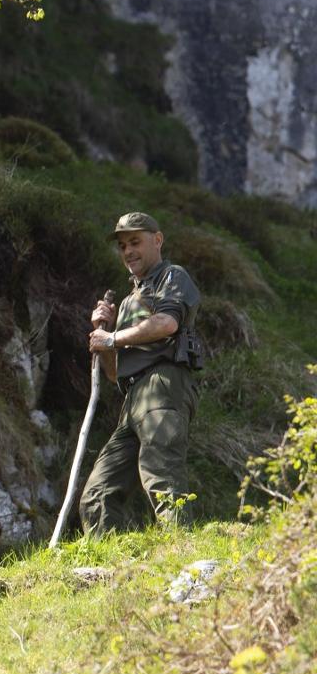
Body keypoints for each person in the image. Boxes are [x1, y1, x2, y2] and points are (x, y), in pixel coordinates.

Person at [81, 212, 201, 533]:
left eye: (135, 242)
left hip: (163, 386)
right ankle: (107, 570)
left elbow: (167, 323)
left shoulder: (171, 276)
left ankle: (183, 556)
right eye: (122, 246)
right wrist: (104, 340)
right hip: (133, 399)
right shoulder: (130, 300)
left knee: (162, 475)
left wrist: (114, 337)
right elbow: (113, 374)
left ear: (157, 240)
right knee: (97, 493)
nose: (128, 251)